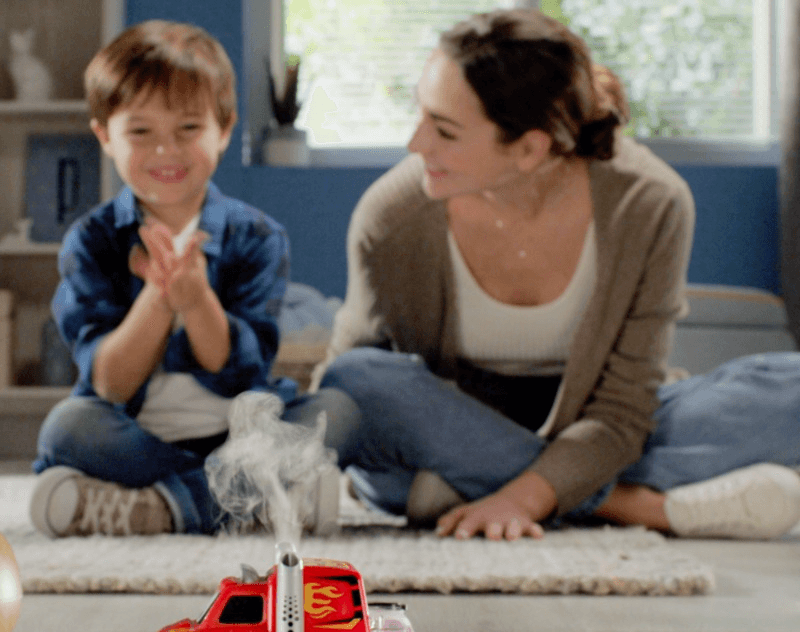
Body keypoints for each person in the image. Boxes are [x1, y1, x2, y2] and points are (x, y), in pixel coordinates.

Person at [314, 8, 800, 541]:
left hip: (596, 431)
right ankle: (635, 506)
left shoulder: (650, 203)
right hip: (445, 425)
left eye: (444, 130)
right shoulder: (392, 216)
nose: (416, 143)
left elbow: (623, 408)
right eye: (421, 114)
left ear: (529, 148)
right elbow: (351, 391)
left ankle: (471, 487)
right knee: (358, 379)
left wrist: (523, 495)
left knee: (789, 391)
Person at [29, 20, 359, 537]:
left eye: (187, 129)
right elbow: (111, 382)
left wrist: (196, 298)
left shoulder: (258, 236)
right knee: (66, 429)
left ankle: (163, 507)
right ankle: (246, 500)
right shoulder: (91, 241)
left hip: (242, 435)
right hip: (134, 434)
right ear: (105, 136)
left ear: (223, 130)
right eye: (141, 132)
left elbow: (242, 375)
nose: (166, 151)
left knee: (339, 411)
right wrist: (159, 299)